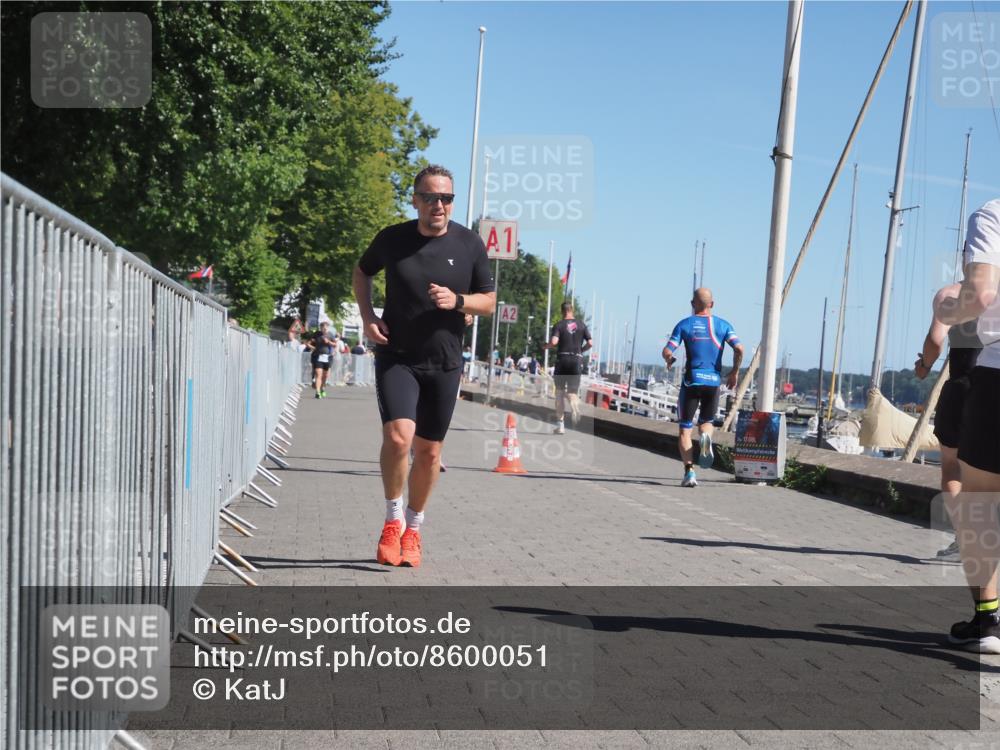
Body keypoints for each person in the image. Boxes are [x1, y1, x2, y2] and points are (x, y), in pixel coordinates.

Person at [353, 164, 495, 568]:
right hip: (397, 356)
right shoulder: (393, 239)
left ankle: (414, 529)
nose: (439, 205)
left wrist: (459, 302)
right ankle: (392, 521)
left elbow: (489, 300)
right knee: (399, 439)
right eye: (431, 197)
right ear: (415, 199)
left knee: (430, 454)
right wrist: (368, 317)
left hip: (445, 363)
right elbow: (362, 272)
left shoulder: (469, 244)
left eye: (446, 198)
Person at [932, 198, 1000, 653]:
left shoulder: (993, 213)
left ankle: (989, 621)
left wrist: (947, 310)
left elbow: (981, 297)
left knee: (981, 502)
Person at [913, 284, 979, 560]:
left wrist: (924, 367)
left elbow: (935, 342)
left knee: (952, 466)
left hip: (964, 384)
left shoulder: (951, 294)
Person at [662, 288, 743, 488]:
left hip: (692, 381)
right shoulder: (723, 325)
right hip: (713, 383)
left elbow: (667, 350)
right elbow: (739, 348)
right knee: (706, 423)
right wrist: (734, 372)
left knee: (685, 430)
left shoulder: (685, 324)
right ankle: (706, 439)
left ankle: (689, 472)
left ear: (692, 304)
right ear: (712, 304)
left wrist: (669, 358)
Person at [546, 301, 593, 434]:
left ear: (562, 311)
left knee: (559, 393)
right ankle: (573, 403)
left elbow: (554, 342)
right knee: (572, 392)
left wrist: (546, 346)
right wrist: (581, 350)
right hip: (576, 361)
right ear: (572, 310)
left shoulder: (559, 325)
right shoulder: (582, 325)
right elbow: (590, 343)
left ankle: (560, 425)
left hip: (562, 360)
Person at [305, 321, 337, 398]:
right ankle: (318, 392)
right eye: (323, 328)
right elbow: (308, 343)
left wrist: (328, 342)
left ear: (328, 328)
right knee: (319, 375)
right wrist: (314, 348)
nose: (324, 329)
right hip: (318, 357)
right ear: (320, 328)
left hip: (328, 357)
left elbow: (335, 344)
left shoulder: (330, 335)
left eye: (326, 328)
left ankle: (322, 388)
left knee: (325, 376)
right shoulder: (317, 334)